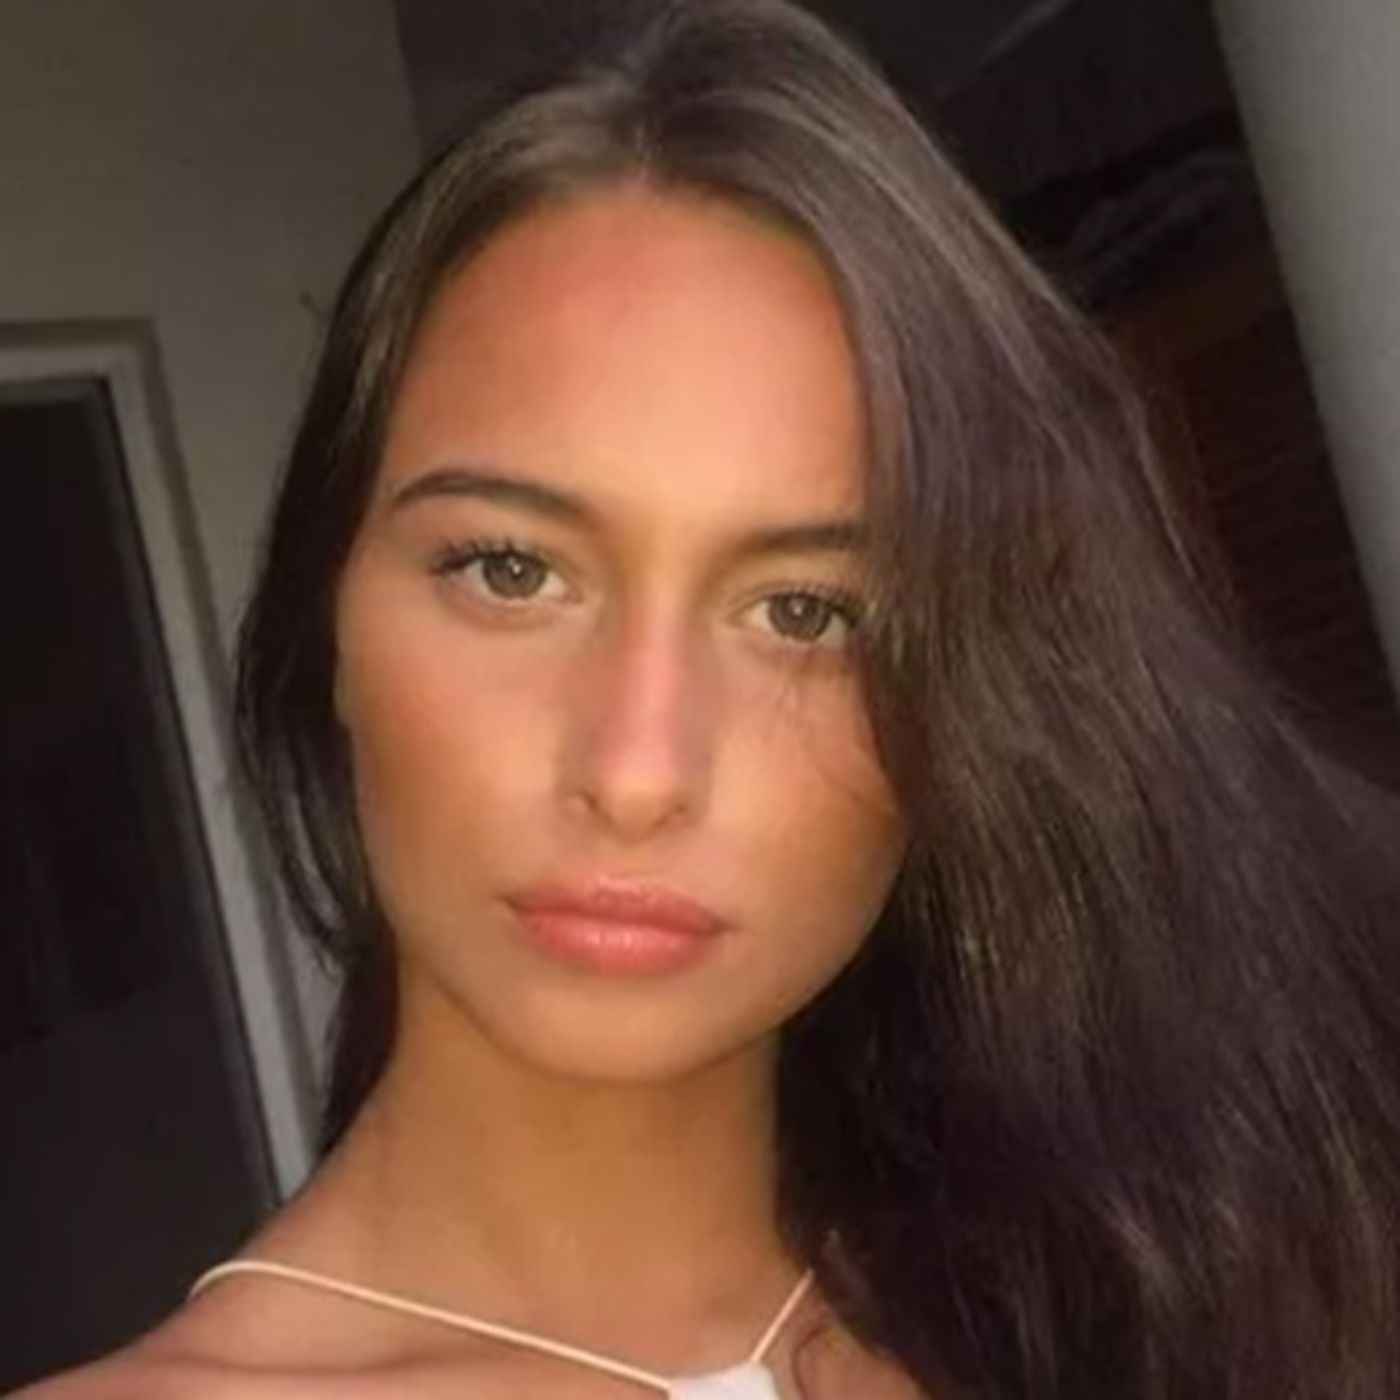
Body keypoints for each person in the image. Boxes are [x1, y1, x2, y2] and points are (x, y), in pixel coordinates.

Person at [21, 0, 1400, 1396]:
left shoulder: (1172, 1292)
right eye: (511, 570)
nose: (636, 771)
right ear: (330, 616)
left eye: (805, 612)